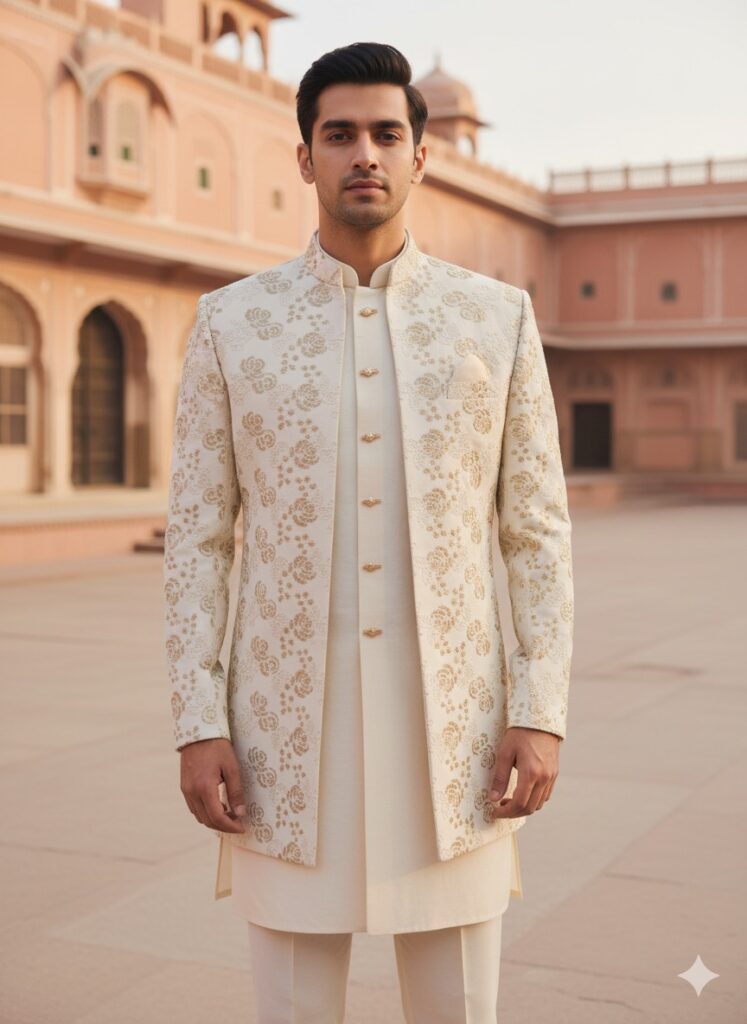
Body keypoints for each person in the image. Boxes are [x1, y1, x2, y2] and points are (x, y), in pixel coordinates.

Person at [163, 40, 574, 1023]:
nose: (366, 155)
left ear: (422, 154)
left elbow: (536, 530)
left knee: (459, 1007)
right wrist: (198, 716)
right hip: (285, 740)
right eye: (339, 133)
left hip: (458, 736)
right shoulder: (234, 325)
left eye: (388, 133)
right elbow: (198, 538)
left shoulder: (495, 320)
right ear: (303, 156)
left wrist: (540, 705)